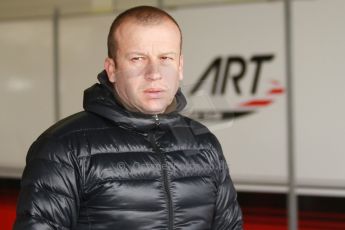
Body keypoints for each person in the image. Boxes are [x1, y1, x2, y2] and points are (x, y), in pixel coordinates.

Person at [14, 5, 242, 230]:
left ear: (180, 66)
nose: (154, 73)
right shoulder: (63, 148)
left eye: (165, 58)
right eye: (137, 59)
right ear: (111, 69)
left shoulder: (204, 144)